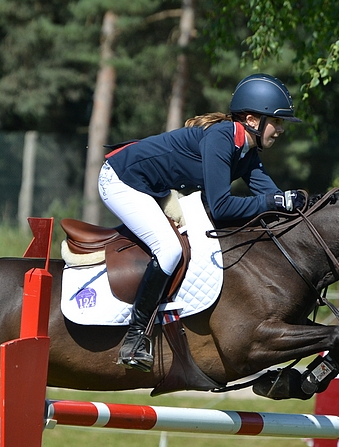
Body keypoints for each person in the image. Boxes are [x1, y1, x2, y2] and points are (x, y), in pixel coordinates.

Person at [99, 73, 305, 372]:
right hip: (122, 180)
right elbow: (221, 207)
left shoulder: (246, 151)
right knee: (169, 249)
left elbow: (271, 198)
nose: (282, 129)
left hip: (154, 188)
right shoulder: (222, 138)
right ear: (251, 120)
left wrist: (299, 205)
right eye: (278, 121)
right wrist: (274, 202)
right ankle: (135, 338)